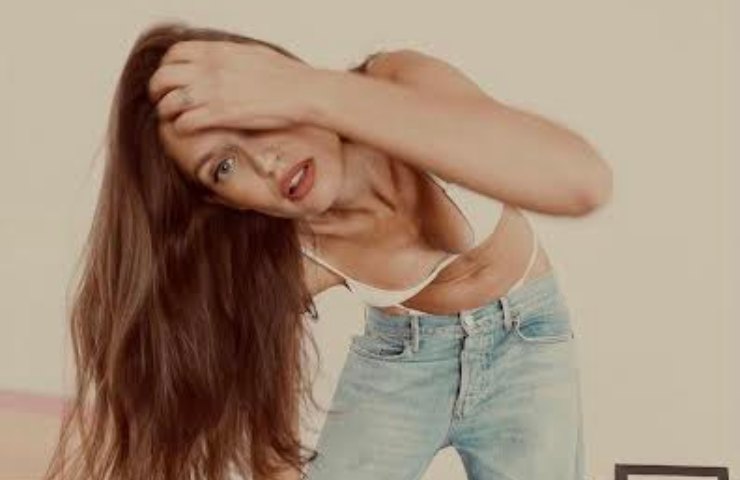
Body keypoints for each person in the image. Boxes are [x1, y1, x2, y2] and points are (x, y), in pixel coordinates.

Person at [43, 21, 612, 480]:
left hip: (526, 344)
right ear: (223, 201)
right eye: (223, 166)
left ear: (279, 79)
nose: (264, 161)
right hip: (404, 363)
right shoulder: (292, 256)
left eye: (251, 118)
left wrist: (311, 91)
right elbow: (262, 426)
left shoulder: (399, 83)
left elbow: (579, 181)